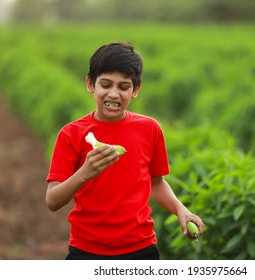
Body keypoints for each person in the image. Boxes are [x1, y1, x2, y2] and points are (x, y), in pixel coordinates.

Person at [46, 41, 204, 260]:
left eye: (123, 87)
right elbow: (52, 200)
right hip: (87, 251)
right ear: (90, 84)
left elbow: (156, 183)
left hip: (141, 249)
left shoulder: (150, 129)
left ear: (135, 90)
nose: (113, 94)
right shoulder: (71, 134)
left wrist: (180, 209)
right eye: (106, 84)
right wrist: (85, 172)